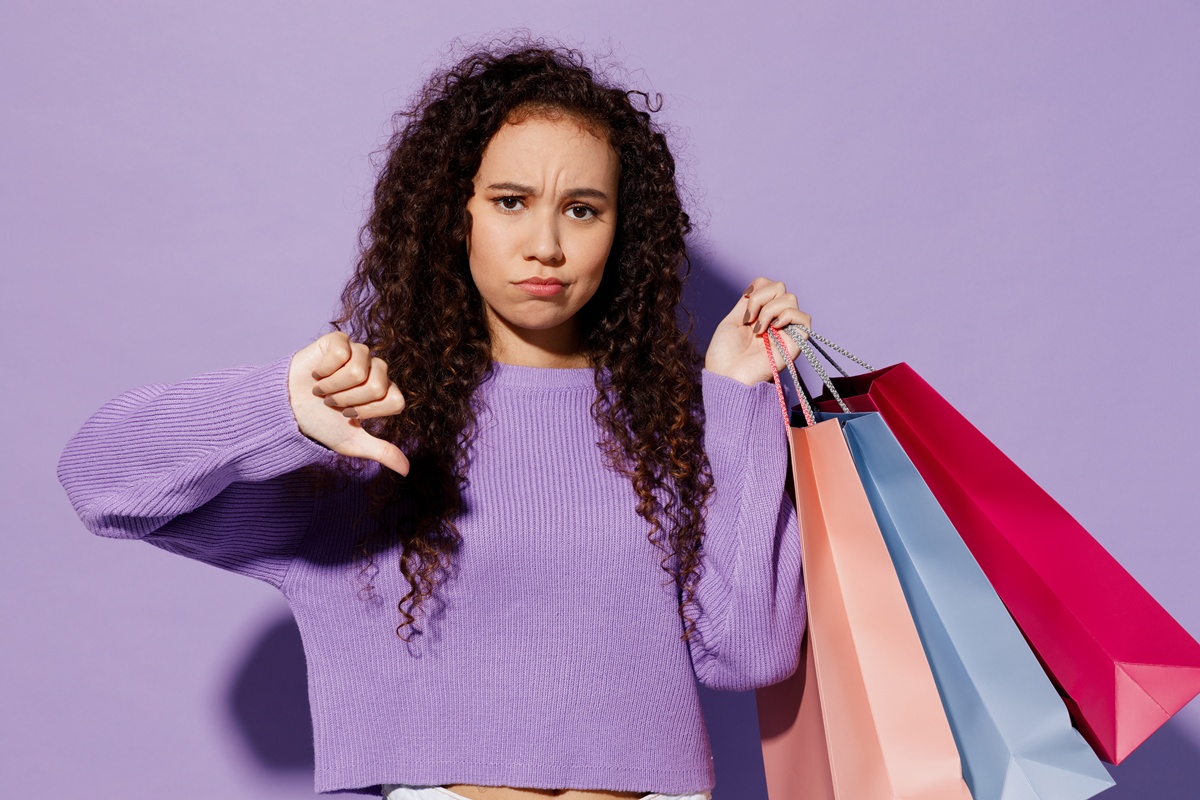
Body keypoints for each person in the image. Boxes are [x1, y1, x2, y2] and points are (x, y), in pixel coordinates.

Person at [56, 37, 809, 800]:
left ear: (623, 233)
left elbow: (750, 654)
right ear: (457, 214)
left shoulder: (675, 427)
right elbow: (98, 480)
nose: (545, 246)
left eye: (582, 210)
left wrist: (734, 397)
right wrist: (279, 407)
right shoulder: (369, 416)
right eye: (510, 202)